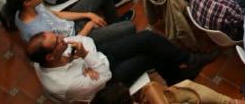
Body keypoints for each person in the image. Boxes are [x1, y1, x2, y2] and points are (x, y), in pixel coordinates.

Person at [26, 29, 208, 102]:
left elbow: (84, 39)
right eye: (58, 41)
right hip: (106, 84)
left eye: (57, 35)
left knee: (147, 37)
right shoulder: (64, 84)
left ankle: (190, 60)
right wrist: (86, 56)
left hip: (100, 57)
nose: (62, 38)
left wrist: (86, 57)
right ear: (50, 56)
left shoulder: (50, 54)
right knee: (149, 57)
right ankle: (178, 77)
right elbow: (105, 76)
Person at [7, 0, 134, 47]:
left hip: (70, 25)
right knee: (129, 27)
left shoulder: (29, 8)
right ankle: (114, 38)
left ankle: (114, 25)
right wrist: (89, 26)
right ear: (26, 2)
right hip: (76, 38)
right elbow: (67, 48)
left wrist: (87, 14)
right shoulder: (38, 32)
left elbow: (57, 15)